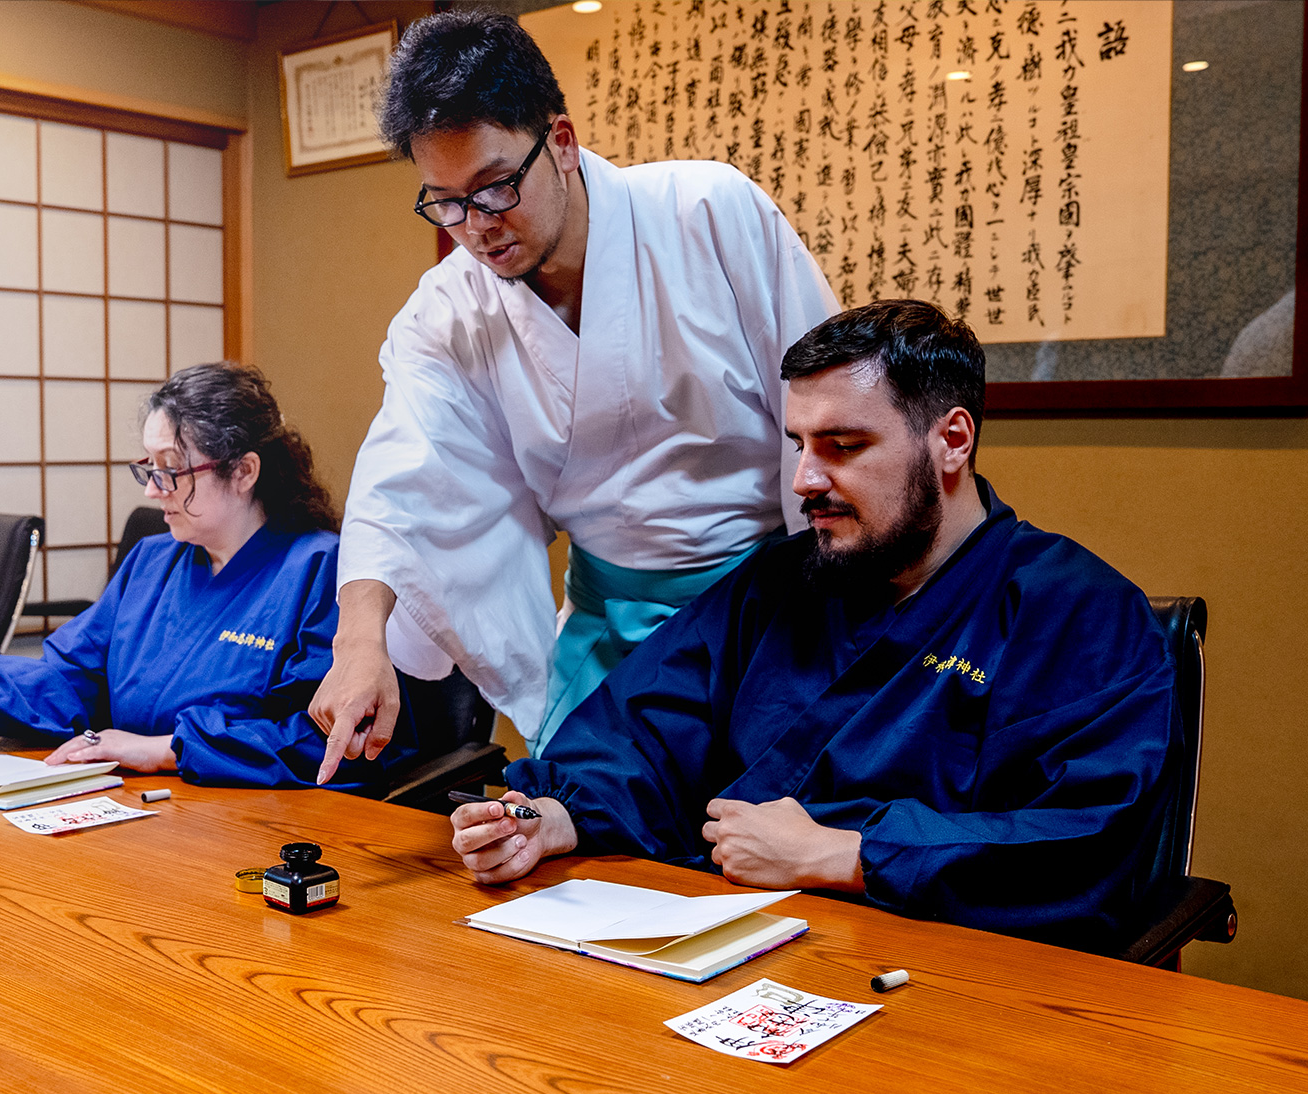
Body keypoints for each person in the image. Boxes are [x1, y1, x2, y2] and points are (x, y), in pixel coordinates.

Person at [448, 301, 1179, 949]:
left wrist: (844, 855)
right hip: (733, 944)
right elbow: (647, 729)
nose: (804, 480)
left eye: (844, 446)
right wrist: (551, 814)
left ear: (952, 440)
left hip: (949, 980)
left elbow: (1089, 840)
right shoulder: (782, 583)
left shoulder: (1077, 615)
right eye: (800, 443)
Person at [309, 8, 838, 780]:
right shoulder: (449, 311)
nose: (475, 227)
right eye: (444, 202)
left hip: (771, 615)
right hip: (607, 632)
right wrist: (358, 641)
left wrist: (836, 613)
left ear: (560, 142)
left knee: (756, 847)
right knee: (585, 859)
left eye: (493, 189)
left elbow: (827, 409)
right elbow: (402, 475)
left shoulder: (708, 213)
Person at [0, 362, 405, 789]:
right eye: (147, 470)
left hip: (259, 825)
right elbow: (67, 681)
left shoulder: (322, 570)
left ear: (244, 471)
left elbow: (323, 740)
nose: (154, 492)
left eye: (172, 472)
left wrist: (165, 750)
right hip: (136, 810)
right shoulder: (152, 561)